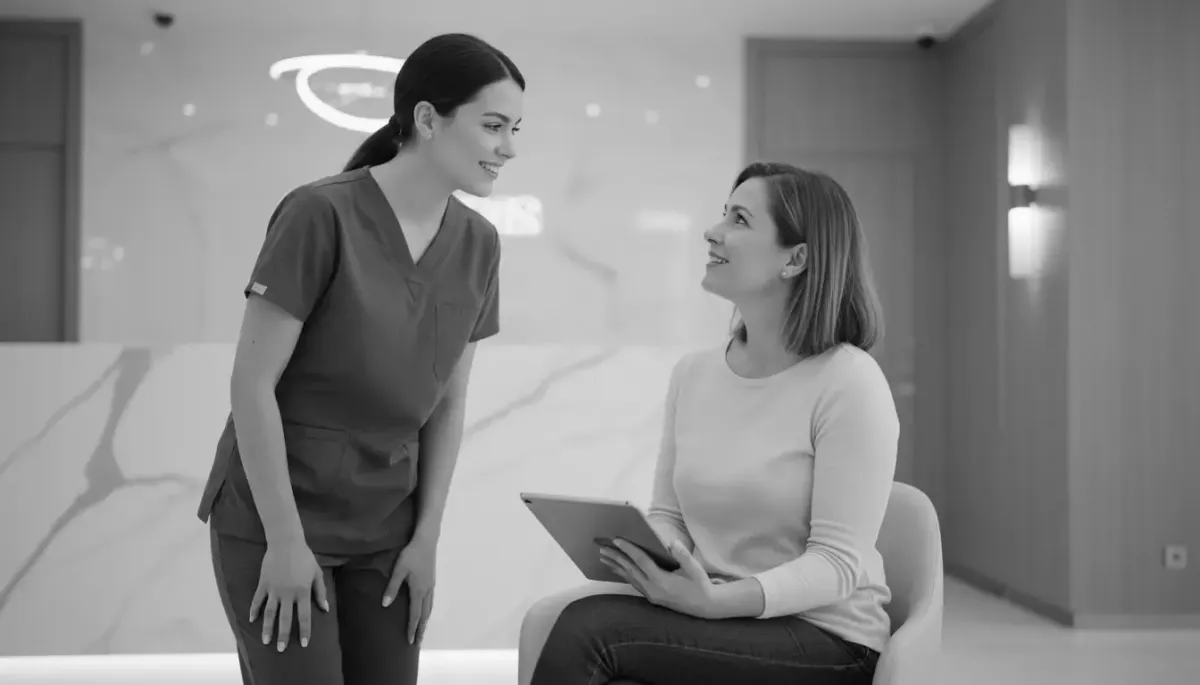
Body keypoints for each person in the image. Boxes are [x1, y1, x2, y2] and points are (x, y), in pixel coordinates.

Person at [195, 33, 525, 685]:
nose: (509, 148)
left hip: (389, 527)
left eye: (515, 129)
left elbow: (448, 403)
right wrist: (286, 541)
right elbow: (251, 384)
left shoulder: (480, 244)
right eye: (493, 126)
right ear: (428, 119)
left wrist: (426, 537)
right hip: (281, 515)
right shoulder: (319, 213)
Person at [519, 162, 899, 685]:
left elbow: (837, 565)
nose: (712, 231)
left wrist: (717, 602)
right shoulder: (694, 374)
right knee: (558, 617)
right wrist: (654, 559)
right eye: (724, 214)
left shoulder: (849, 382)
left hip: (825, 637)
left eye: (739, 220)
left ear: (796, 259)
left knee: (590, 631)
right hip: (720, 611)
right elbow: (669, 516)